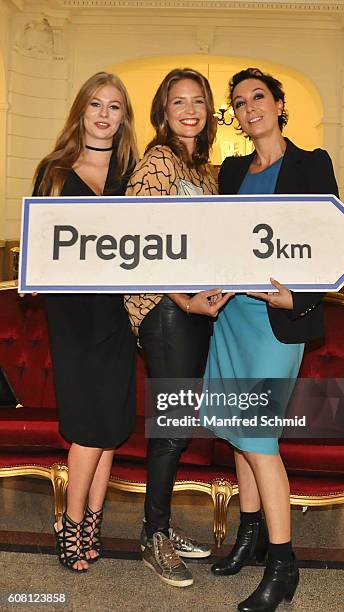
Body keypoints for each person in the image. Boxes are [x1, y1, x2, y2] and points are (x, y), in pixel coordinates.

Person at [206, 68, 339, 612]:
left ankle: (284, 565)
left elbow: (333, 241)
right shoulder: (232, 170)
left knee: (259, 438)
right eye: (238, 102)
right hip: (230, 317)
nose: (248, 108)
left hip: (276, 322)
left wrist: (300, 298)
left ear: (280, 105)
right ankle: (250, 536)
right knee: (238, 431)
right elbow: (214, 239)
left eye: (258, 97)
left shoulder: (313, 163)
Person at [124, 68, 231, 588]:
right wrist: (186, 299)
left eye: (198, 101)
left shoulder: (204, 171)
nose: (189, 110)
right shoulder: (158, 161)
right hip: (164, 307)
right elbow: (140, 240)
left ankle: (159, 523)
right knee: (170, 427)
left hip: (193, 307)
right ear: (162, 112)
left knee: (180, 424)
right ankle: (154, 535)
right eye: (177, 101)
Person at [32, 72, 139, 572]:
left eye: (114, 107)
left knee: (112, 423)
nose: (103, 115)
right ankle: (70, 526)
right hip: (72, 315)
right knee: (88, 425)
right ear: (81, 111)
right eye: (95, 104)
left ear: (124, 118)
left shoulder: (131, 176)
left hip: (118, 313)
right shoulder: (54, 171)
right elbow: (42, 245)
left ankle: (93, 523)